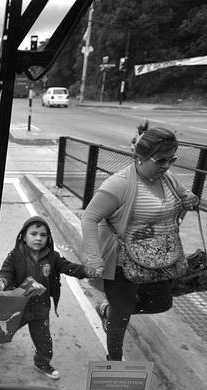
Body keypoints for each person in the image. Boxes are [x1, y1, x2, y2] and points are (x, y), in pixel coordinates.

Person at [81, 121, 199, 361]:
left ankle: (108, 311)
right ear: (140, 157)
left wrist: (189, 198)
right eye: (161, 161)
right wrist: (93, 257)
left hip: (157, 260)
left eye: (171, 160)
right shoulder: (120, 184)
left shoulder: (168, 179)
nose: (166, 166)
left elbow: (183, 194)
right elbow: (90, 217)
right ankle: (114, 364)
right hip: (122, 264)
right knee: (121, 317)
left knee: (162, 303)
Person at [0, 215, 94, 379]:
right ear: (24, 237)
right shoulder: (15, 255)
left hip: (41, 307)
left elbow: (68, 267)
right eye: (33, 234)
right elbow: (6, 271)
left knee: (44, 340)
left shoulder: (52, 257)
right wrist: (3, 281)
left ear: (48, 238)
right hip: (19, 306)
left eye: (43, 235)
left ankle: (42, 362)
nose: (38, 238)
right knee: (8, 326)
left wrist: (85, 271)